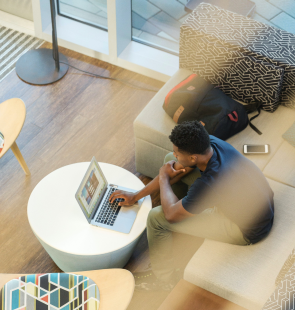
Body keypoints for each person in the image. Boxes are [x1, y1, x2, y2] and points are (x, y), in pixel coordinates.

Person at [109, 120, 274, 291]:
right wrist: (136, 196)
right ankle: (183, 208)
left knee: (156, 218)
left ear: (193, 157)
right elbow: (178, 165)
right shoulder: (209, 143)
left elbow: (170, 215)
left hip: (246, 229)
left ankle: (163, 279)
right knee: (169, 162)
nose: (175, 155)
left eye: (177, 152)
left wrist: (164, 178)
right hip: (257, 202)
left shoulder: (210, 182)